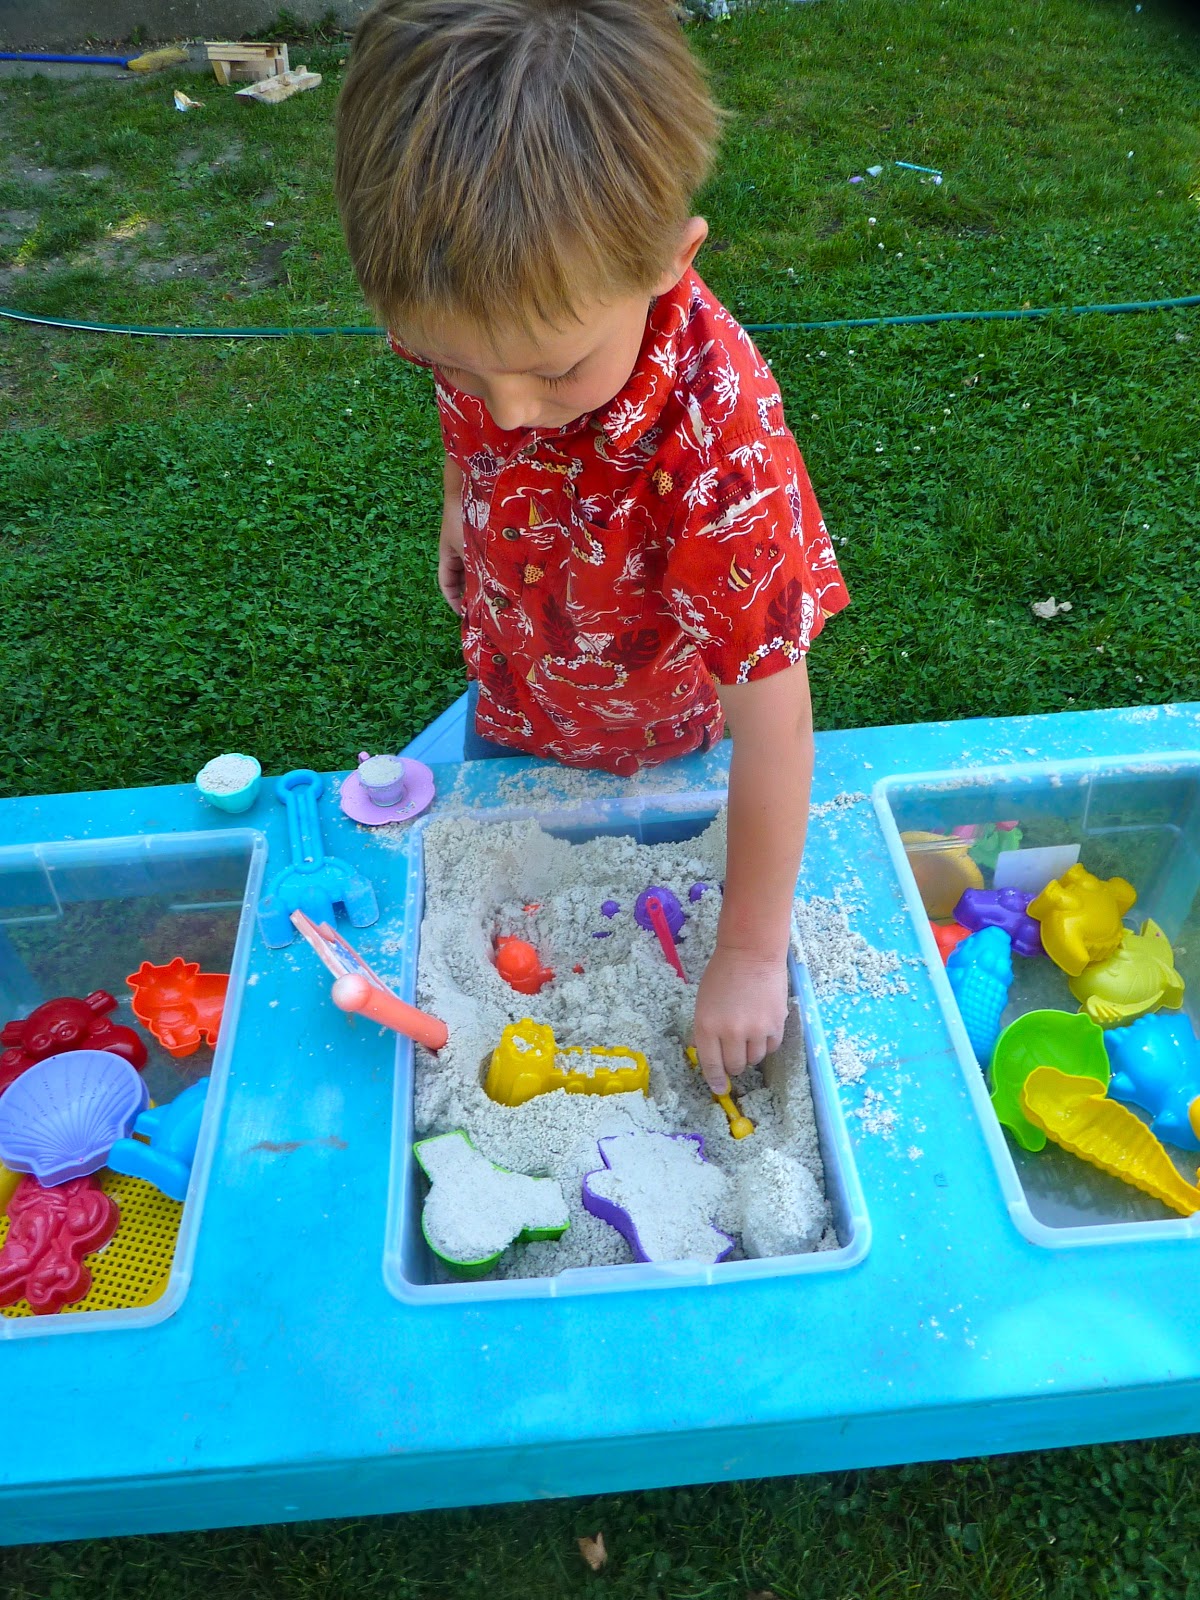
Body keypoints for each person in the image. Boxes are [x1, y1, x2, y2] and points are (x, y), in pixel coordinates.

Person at [334, 0, 849, 1093]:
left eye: (554, 373)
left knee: (632, 852)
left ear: (670, 259)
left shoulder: (716, 454)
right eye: (452, 364)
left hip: (664, 735)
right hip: (526, 667)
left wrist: (750, 953)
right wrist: (463, 498)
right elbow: (482, 406)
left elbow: (778, 727)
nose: (509, 411)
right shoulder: (502, 328)